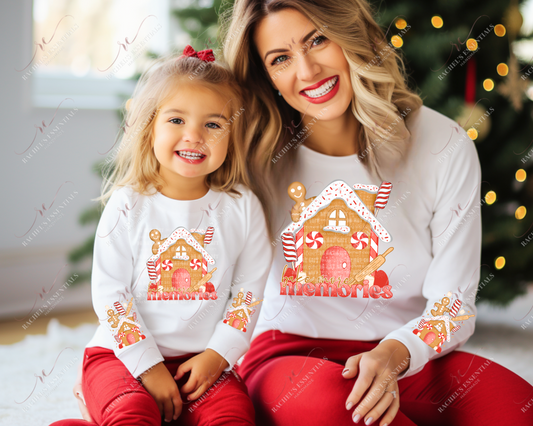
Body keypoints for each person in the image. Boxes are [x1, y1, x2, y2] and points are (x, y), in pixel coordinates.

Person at [220, 1, 533, 425]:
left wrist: (397, 352)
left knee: (517, 409)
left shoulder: (443, 143)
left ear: (351, 35)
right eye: (281, 58)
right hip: (287, 356)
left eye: (318, 39)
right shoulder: (250, 154)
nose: (308, 71)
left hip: (402, 353)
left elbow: (453, 305)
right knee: (353, 412)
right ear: (266, 77)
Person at [51, 46, 272, 426]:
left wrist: (219, 355)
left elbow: (248, 291)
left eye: (213, 124)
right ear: (149, 124)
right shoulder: (128, 205)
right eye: (176, 120)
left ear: (232, 134)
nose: (194, 136)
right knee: (132, 413)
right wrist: (147, 366)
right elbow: (111, 294)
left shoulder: (242, 207)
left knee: (234, 416)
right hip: (121, 355)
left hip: (203, 362)